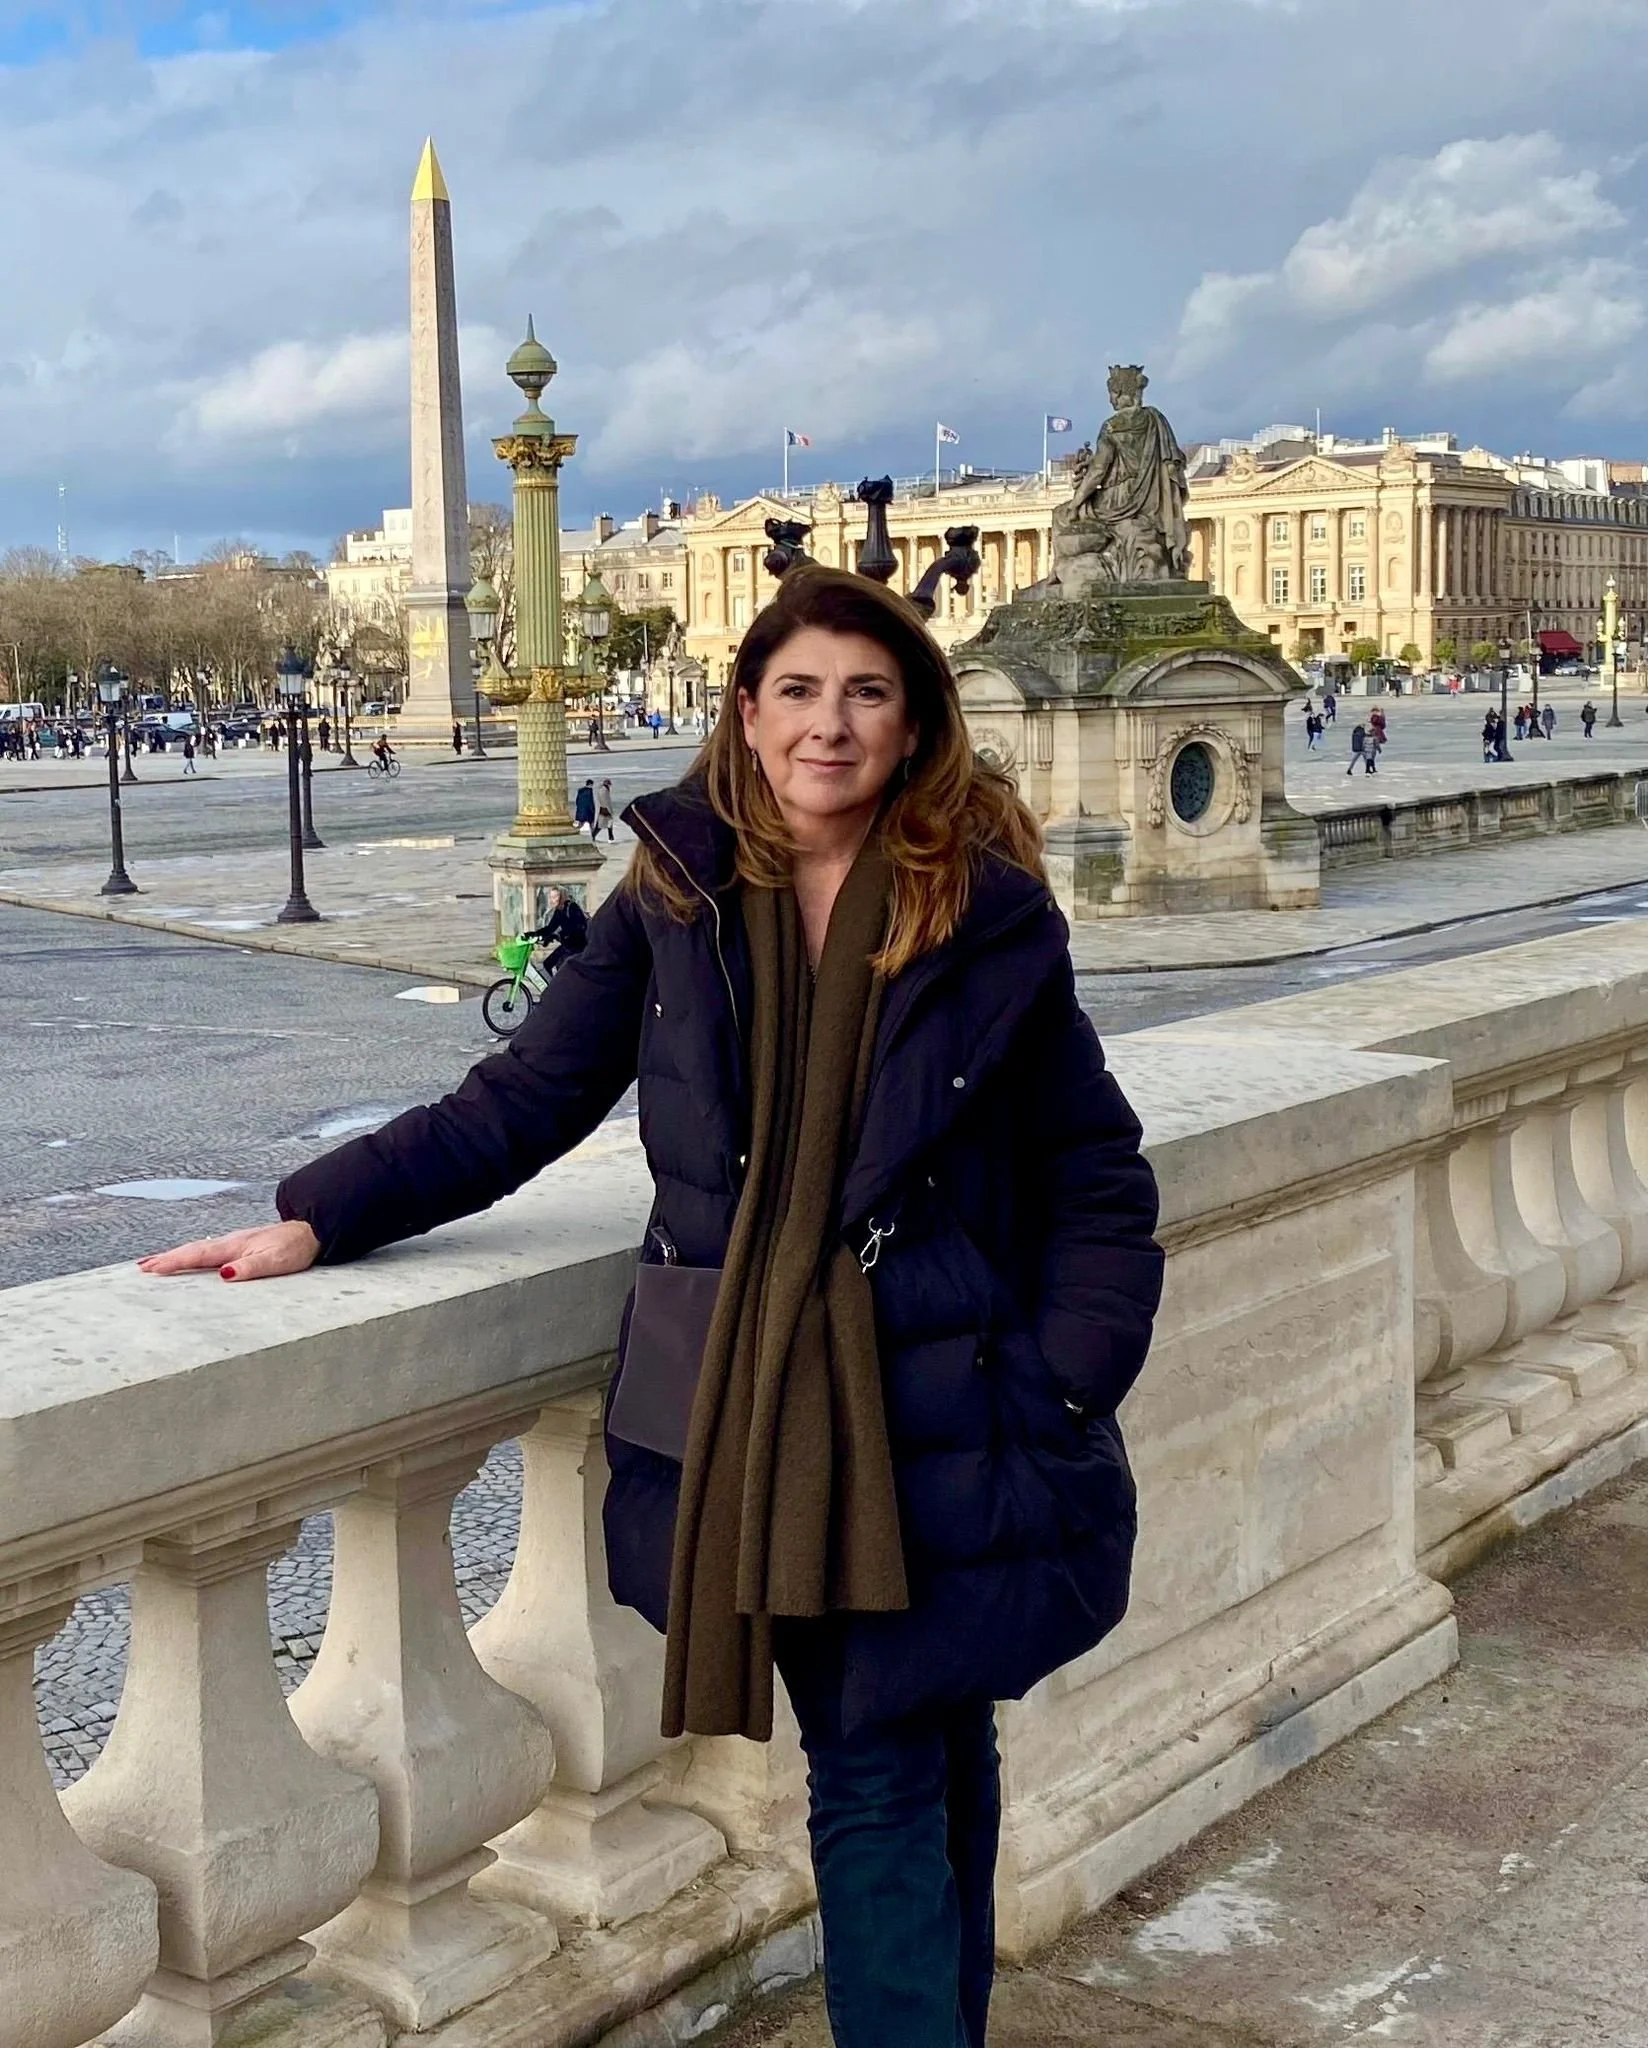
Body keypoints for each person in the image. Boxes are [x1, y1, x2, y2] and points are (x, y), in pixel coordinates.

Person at [139, 564, 1163, 2048]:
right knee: (879, 1760)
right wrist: (324, 1211)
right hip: (772, 1417)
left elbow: (1095, 1170)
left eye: (867, 693)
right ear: (745, 715)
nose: (831, 725)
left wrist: (1072, 1372)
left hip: (962, 1398)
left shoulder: (984, 915)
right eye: (799, 691)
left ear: (913, 720)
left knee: (940, 1738)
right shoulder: (675, 900)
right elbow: (522, 1099)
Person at [533, 885, 589, 977]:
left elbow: (576, 929)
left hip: (577, 947)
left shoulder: (572, 908)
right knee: (547, 963)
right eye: (551, 897)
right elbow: (550, 928)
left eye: (555, 897)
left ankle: (564, 989)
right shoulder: (559, 910)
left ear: (562, 897)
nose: (552, 900)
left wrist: (557, 936)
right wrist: (534, 934)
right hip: (567, 945)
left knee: (562, 968)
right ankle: (553, 988)